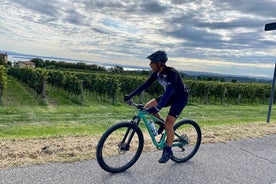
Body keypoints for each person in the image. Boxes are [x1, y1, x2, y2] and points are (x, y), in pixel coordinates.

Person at [124, 50, 188, 163]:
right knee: (148, 107)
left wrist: (158, 108)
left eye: (152, 62)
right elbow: (145, 85)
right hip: (169, 96)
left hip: (180, 98)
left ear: (159, 63)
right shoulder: (157, 73)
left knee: (169, 123)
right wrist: (130, 95)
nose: (150, 64)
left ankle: (168, 150)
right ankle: (161, 124)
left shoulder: (172, 73)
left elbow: (168, 92)